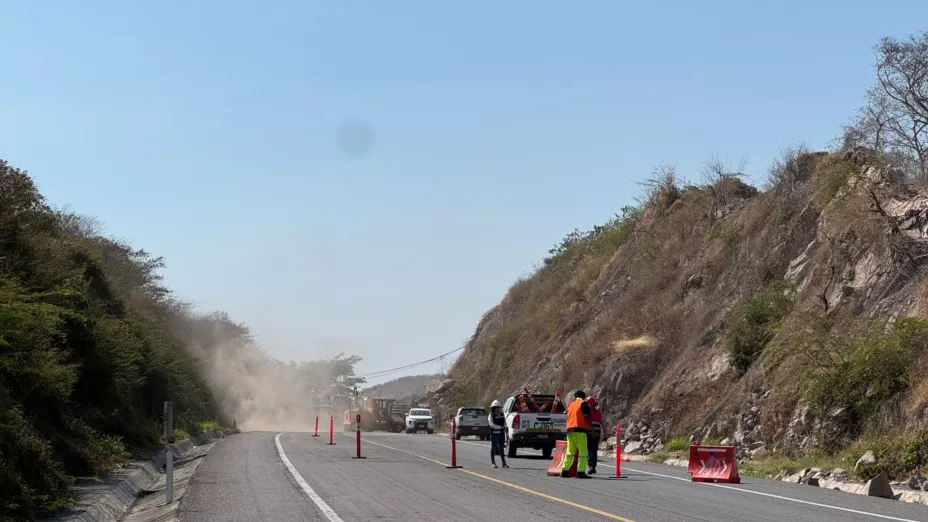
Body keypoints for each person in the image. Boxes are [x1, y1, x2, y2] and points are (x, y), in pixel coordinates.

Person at [561, 390, 592, 479]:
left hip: (570, 430)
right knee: (583, 452)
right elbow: (587, 416)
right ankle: (581, 472)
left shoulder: (571, 405)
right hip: (580, 430)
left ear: (575, 397)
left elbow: (567, 415)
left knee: (570, 452)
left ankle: (564, 470)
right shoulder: (583, 404)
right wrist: (592, 429)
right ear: (583, 397)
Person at [487, 400, 509, 468]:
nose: (497, 409)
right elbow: (491, 424)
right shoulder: (491, 415)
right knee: (493, 448)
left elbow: (505, 422)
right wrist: (500, 427)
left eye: (498, 407)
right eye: (496, 407)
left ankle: (503, 463)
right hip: (494, 434)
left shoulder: (502, 415)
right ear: (493, 408)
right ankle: (493, 462)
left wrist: (505, 427)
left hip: (501, 434)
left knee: (501, 449)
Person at [585, 396, 604, 474]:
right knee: (594, 449)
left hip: (589, 432)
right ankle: (593, 466)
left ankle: (591, 466)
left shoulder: (586, 412)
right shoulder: (598, 412)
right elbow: (603, 424)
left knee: (589, 449)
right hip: (597, 433)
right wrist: (605, 435)